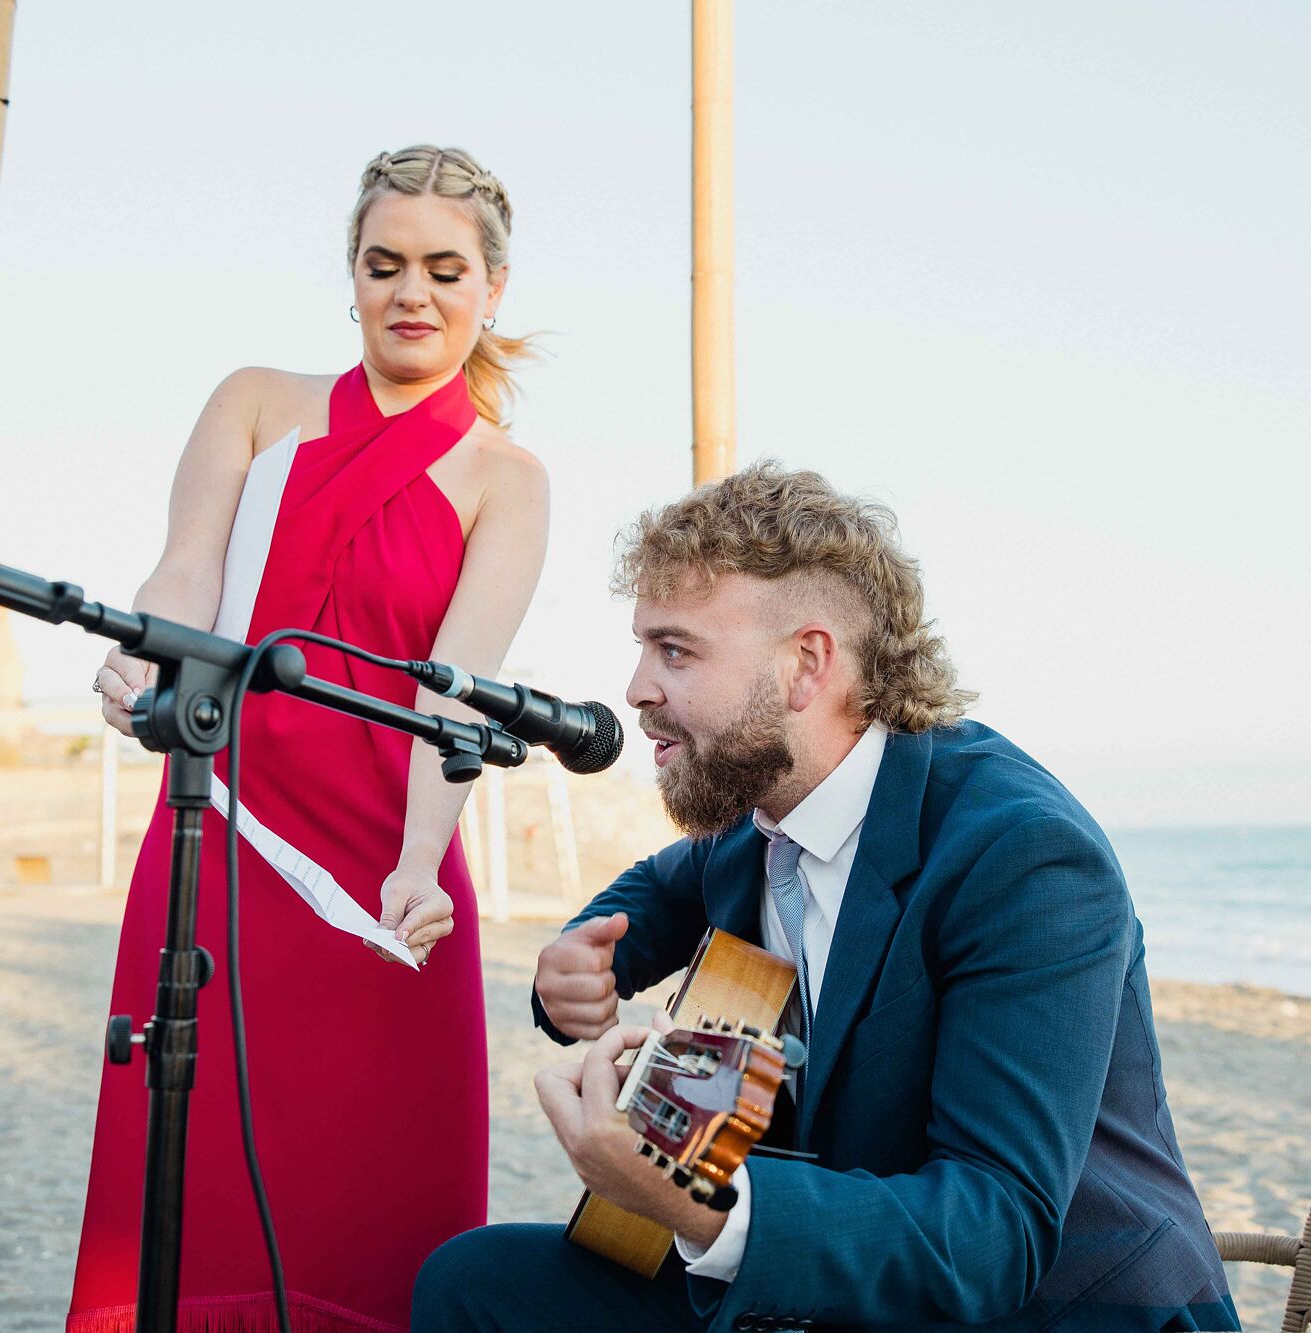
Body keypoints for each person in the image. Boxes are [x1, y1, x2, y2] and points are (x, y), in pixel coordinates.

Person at [414, 464, 1237, 1332]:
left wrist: (698, 1203)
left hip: (1039, 1305)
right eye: (642, 647)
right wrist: (584, 959)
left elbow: (996, 1232)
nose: (636, 689)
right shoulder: (755, 816)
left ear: (807, 664)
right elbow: (660, 885)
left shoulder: (1022, 855)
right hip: (835, 1275)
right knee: (473, 1284)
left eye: (676, 649)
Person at [68, 146, 551, 1333]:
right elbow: (185, 568)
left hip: (390, 872)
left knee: (371, 1205)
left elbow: (462, 691)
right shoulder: (253, 400)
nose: (411, 293)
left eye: (444, 269)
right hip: (218, 836)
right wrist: (145, 652)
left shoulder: (508, 477)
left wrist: (416, 858)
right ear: (350, 275)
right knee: (188, 1182)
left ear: (492, 286)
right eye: (383, 264)